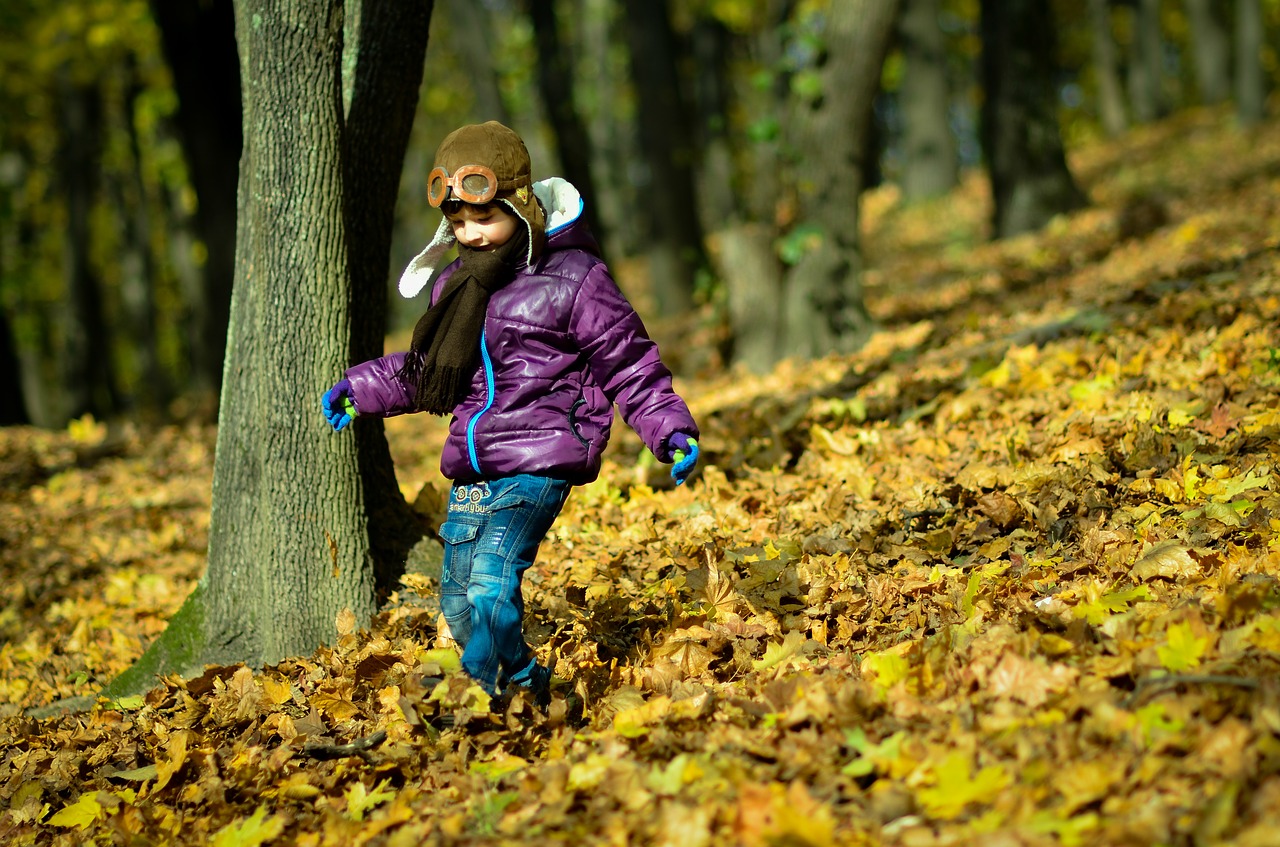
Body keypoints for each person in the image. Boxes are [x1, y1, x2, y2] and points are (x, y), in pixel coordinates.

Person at [321, 121, 699, 707]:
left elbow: (628, 361)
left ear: (523, 207)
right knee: (456, 600)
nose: (471, 234)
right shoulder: (456, 285)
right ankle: (524, 687)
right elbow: (426, 371)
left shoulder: (575, 279)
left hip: (540, 457)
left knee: (492, 581)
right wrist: (360, 387)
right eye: (458, 224)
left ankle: (478, 681)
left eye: (484, 218)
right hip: (473, 465)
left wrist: (668, 427)